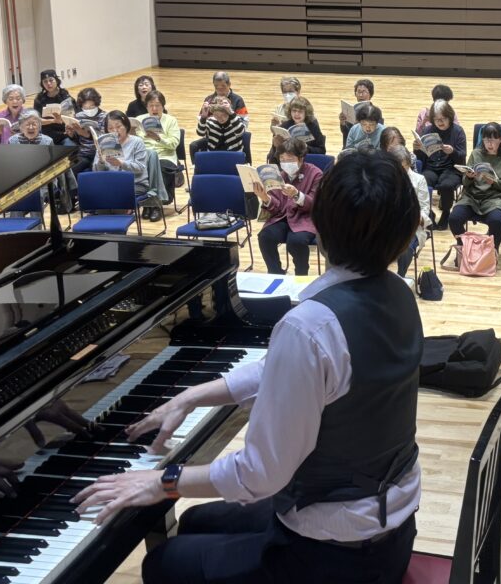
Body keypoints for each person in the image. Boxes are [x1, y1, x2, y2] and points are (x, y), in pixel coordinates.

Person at [73, 150, 422, 584]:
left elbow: (260, 474)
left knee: (164, 564)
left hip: (335, 558)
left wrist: (163, 481)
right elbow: (297, 374)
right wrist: (192, 396)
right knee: (196, 521)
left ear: (321, 226)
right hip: (387, 527)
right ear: (405, 230)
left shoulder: (310, 326)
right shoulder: (398, 292)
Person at [446, 122, 501, 267]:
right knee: (454, 218)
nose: (489, 144)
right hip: (472, 197)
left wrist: (495, 182)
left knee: (496, 221)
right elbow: (465, 182)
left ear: (500, 139)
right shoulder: (476, 154)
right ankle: (464, 247)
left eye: (493, 140)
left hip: (496, 198)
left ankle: (492, 251)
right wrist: (469, 177)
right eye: (486, 140)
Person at [253, 138, 322, 275]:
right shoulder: (279, 175)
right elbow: (276, 207)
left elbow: (315, 204)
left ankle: (301, 275)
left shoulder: (316, 174)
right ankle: (275, 273)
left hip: (305, 218)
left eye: (290, 159)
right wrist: (265, 197)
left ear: (301, 158)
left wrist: (297, 195)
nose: (286, 163)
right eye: (282, 160)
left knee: (296, 242)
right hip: (282, 217)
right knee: (265, 237)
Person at [415, 100, 466, 229]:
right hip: (431, 167)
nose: (440, 122)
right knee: (422, 182)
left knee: (446, 185)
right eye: (436, 119)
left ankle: (446, 212)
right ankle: (428, 213)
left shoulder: (458, 131)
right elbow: (420, 157)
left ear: (450, 117)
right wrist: (417, 149)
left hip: (451, 168)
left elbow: (462, 156)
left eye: (443, 119)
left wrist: (452, 151)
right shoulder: (428, 130)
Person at [388, 144, 431, 279]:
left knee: (405, 247)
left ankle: (401, 276)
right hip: (389, 225)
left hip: (412, 226)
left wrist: (418, 218)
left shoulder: (419, 180)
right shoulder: (385, 179)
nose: (402, 170)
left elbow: (425, 208)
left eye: (405, 167)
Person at [190, 72, 250, 156]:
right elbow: (201, 129)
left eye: (223, 87)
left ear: (229, 84)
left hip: (233, 139)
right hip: (213, 138)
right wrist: (204, 118)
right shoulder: (209, 100)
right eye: (216, 87)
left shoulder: (238, 100)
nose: (220, 90)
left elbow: (243, 126)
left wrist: (231, 114)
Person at [137, 91, 181, 203]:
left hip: (165, 156)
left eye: (157, 105)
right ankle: (144, 201)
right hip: (144, 156)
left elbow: (174, 144)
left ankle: (156, 203)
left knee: (160, 168)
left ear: (163, 106)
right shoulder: (139, 120)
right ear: (146, 107)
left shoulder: (171, 120)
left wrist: (158, 139)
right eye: (151, 106)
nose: (154, 109)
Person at [93, 110, 150, 198]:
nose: (115, 131)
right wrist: (101, 162)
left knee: (112, 195)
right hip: (111, 183)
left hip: (135, 183)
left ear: (126, 126)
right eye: (110, 128)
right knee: (93, 193)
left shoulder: (137, 142)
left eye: (118, 126)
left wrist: (121, 164)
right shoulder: (104, 143)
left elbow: (140, 167)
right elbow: (97, 172)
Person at [67, 87, 108, 176]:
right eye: (85, 107)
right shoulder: (78, 116)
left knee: (97, 172)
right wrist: (72, 134)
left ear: (97, 104)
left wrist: (85, 134)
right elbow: (77, 140)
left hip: (99, 154)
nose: (88, 110)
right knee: (71, 171)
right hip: (83, 153)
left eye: (91, 107)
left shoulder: (105, 116)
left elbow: (105, 139)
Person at [33, 69, 74, 145]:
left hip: (64, 134)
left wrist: (63, 120)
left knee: (71, 146)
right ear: (42, 84)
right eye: (45, 81)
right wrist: (53, 121)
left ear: (57, 81)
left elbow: (73, 117)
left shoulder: (65, 96)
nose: (48, 83)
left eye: (51, 80)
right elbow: (36, 120)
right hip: (46, 135)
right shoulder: (39, 99)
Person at [339, 79, 380, 145]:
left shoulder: (375, 112)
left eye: (364, 92)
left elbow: (377, 133)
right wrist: (342, 122)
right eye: (358, 92)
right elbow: (346, 133)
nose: (360, 95)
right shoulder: (351, 110)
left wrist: (359, 125)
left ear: (370, 94)